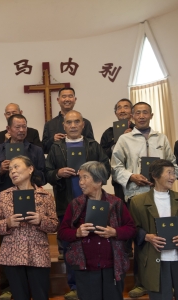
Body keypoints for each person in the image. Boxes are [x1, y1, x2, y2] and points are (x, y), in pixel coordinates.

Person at [111, 101, 178, 298]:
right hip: (138, 195)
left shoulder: (162, 138)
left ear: (151, 115)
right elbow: (115, 167)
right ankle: (142, 282)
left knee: (164, 236)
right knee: (143, 239)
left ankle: (169, 279)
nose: (141, 116)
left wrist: (168, 177)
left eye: (145, 112)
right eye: (137, 113)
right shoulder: (125, 140)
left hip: (163, 195)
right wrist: (131, 176)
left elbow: (172, 163)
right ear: (132, 116)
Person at [46, 110, 110, 300]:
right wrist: (58, 172)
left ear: (83, 124)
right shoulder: (56, 148)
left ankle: (98, 281)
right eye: (69, 122)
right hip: (67, 203)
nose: (73, 125)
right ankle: (74, 285)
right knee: (70, 246)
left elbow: (107, 169)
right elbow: (47, 173)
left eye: (77, 122)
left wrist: (92, 172)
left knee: (96, 242)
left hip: (94, 203)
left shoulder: (93, 145)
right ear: (63, 126)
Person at [0, 114, 46, 300]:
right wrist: (2, 170)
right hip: (7, 201)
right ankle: (9, 287)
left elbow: (43, 177)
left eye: (24, 126)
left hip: (33, 200)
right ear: (8, 129)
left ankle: (32, 287)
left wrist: (27, 171)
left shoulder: (35, 150)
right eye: (17, 127)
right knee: (8, 246)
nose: (21, 130)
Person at [58, 161, 136, 300]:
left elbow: (131, 229)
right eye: (80, 178)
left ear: (99, 180)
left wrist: (115, 232)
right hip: (85, 267)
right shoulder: (75, 204)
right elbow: (62, 232)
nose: (80, 182)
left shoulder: (116, 203)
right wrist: (77, 232)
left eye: (85, 177)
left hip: (112, 267)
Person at [0, 156, 59, 300]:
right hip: (12, 254)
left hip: (38, 253)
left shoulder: (45, 195)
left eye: (16, 167)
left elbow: (54, 225)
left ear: (30, 169)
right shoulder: (5, 195)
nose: (12, 172)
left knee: (40, 295)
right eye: (10, 170)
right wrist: (8, 223)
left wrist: (41, 220)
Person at [129, 159, 178, 300]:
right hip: (155, 260)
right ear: (155, 176)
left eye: (174, 173)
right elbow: (132, 229)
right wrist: (146, 236)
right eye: (169, 173)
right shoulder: (137, 202)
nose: (173, 177)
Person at [100, 98, 135, 200]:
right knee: (122, 210)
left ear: (132, 112)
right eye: (119, 108)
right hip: (118, 178)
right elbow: (103, 155)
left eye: (126, 107)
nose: (122, 110)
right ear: (116, 113)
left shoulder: (138, 130)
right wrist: (119, 142)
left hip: (138, 176)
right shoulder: (108, 133)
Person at [42, 87, 94, 154]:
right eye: (64, 96)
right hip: (59, 162)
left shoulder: (85, 122)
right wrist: (53, 140)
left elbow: (92, 146)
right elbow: (43, 149)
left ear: (75, 100)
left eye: (70, 96)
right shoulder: (49, 124)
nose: (67, 99)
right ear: (58, 100)